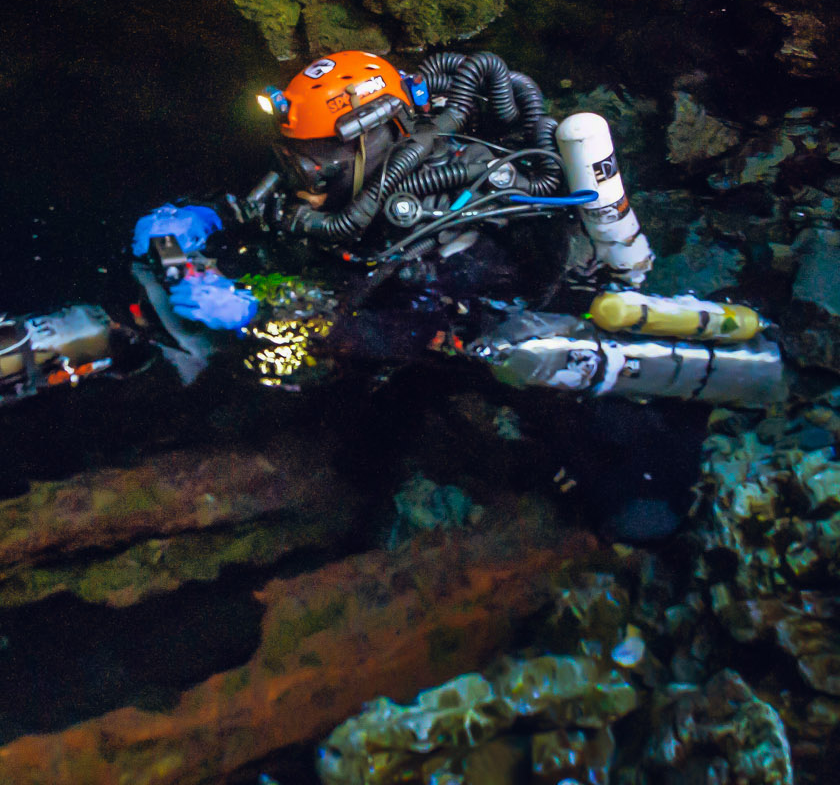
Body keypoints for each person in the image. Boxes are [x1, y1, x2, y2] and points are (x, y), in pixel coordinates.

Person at [129, 49, 780, 544]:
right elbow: (298, 225)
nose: (293, 179)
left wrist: (260, 312)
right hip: (421, 317)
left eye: (306, 162)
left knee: (563, 413)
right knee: (366, 438)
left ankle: (668, 462)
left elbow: (419, 332)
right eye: (289, 157)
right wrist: (204, 217)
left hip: (502, 325)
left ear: (367, 139)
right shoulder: (360, 185)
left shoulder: (456, 219)